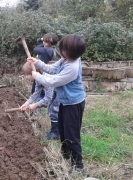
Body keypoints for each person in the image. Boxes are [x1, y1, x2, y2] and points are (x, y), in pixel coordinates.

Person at [27, 34, 86, 173]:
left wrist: (37, 76)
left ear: (71, 52)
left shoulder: (72, 67)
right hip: (64, 102)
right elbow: (53, 69)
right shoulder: (65, 60)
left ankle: (78, 166)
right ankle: (66, 155)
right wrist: (38, 63)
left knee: (72, 134)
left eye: (63, 49)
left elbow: (53, 81)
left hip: (73, 104)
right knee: (62, 130)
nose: (61, 51)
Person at [20, 62, 60, 140]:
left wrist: (36, 105)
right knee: (52, 110)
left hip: (61, 92)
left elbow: (48, 97)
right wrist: (27, 103)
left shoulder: (45, 79)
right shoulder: (38, 79)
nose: (26, 77)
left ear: (34, 72)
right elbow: (36, 94)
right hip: (55, 92)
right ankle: (56, 129)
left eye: (27, 75)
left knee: (53, 110)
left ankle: (56, 132)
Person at [31, 33, 59, 115]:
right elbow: (38, 41)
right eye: (44, 41)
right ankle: (39, 105)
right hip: (42, 70)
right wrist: (42, 39)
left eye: (46, 42)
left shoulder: (48, 50)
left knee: (37, 90)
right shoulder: (51, 48)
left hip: (43, 71)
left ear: (51, 44)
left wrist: (42, 41)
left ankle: (37, 108)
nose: (43, 43)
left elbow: (36, 49)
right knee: (39, 90)